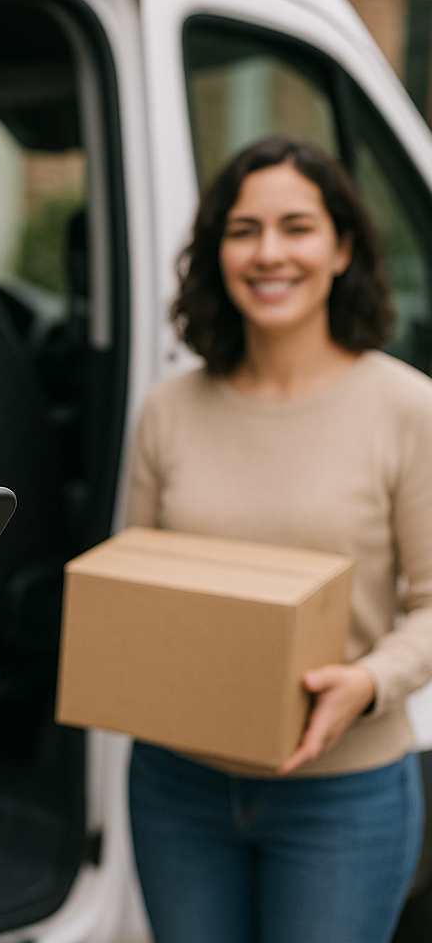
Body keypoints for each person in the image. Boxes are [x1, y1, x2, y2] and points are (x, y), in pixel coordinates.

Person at [125, 135, 432, 943]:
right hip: (176, 783)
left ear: (343, 248)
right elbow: (135, 586)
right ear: (216, 252)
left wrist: (366, 682)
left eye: (296, 227)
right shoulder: (169, 409)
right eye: (243, 229)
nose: (269, 253)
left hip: (343, 795)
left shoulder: (408, 409)